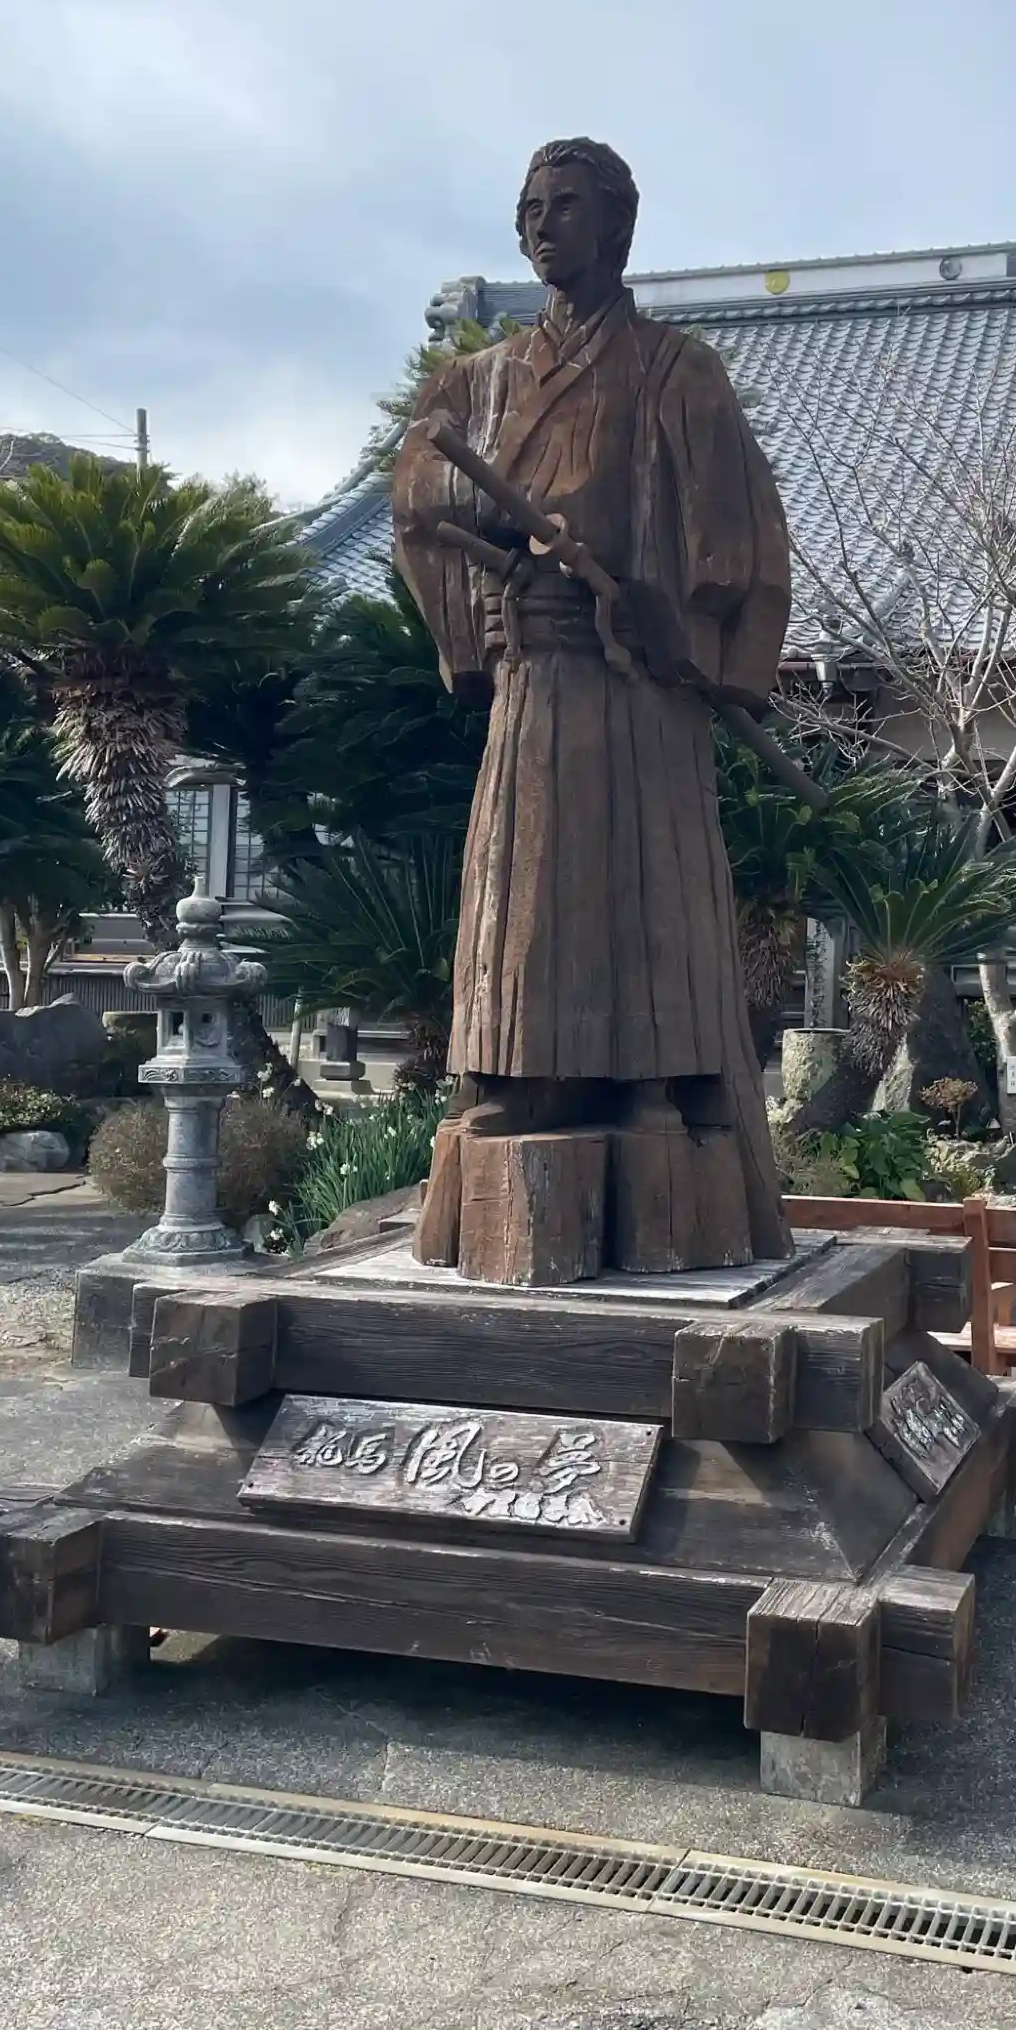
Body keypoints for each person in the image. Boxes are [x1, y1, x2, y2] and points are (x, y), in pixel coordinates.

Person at [393, 138, 791, 1266]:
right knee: (525, 879)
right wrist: (488, 608)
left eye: (566, 205)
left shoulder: (674, 370)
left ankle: (653, 1084)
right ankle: (521, 1074)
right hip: (535, 682)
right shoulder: (478, 382)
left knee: (642, 882)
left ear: (618, 223)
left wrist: (677, 622)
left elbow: (739, 537)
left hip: (637, 690)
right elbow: (420, 500)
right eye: (529, 208)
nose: (541, 224)